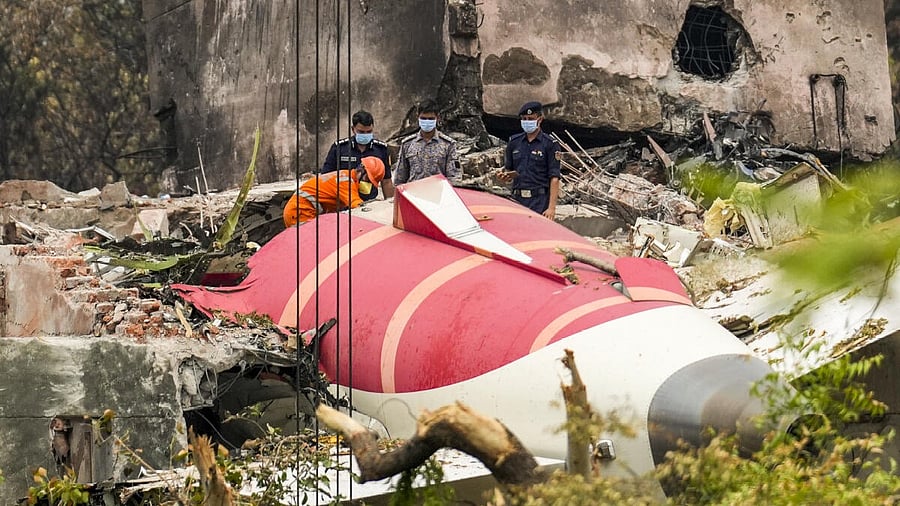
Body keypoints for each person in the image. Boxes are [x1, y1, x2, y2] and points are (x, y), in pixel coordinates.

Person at [499, 101, 560, 219]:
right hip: (517, 199)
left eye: (531, 119)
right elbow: (508, 170)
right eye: (524, 119)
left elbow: (554, 177)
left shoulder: (549, 144)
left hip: (539, 201)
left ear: (540, 120)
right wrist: (504, 177)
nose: (527, 122)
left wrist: (551, 208)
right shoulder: (514, 142)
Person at [283, 156, 385, 227]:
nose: (367, 183)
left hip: (301, 211)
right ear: (361, 170)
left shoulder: (346, 177)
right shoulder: (345, 181)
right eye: (367, 179)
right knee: (308, 247)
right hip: (300, 212)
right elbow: (357, 205)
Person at [322, 110, 394, 198]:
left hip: (369, 203)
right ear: (353, 129)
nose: (365, 135)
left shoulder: (381, 149)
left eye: (369, 132)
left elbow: (386, 181)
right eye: (361, 132)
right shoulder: (339, 148)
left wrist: (390, 205)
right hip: (343, 201)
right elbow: (325, 177)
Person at [393, 99, 460, 185]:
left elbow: (454, 178)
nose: (427, 121)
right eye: (423, 118)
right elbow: (400, 179)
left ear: (437, 118)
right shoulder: (407, 144)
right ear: (418, 117)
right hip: (414, 195)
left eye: (431, 119)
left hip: (438, 195)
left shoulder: (448, 145)